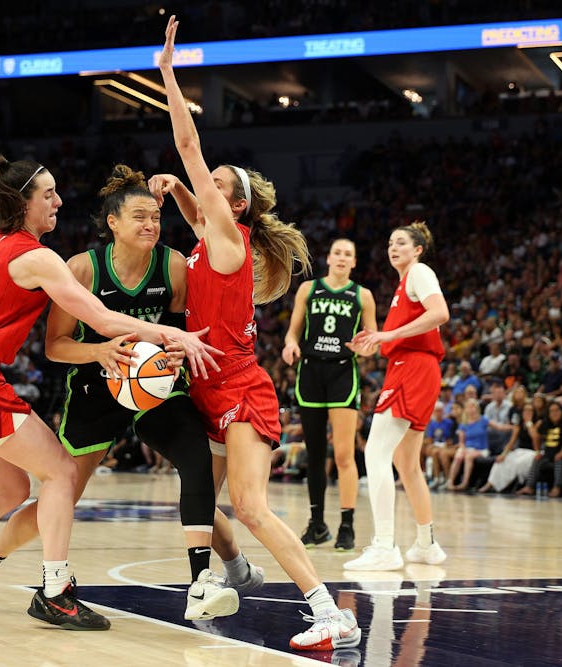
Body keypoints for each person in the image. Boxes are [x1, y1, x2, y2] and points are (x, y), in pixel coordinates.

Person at [0, 153, 221, 631]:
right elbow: (102, 321)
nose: (59, 201)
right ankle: (56, 591)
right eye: (48, 194)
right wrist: (175, 336)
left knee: (10, 489)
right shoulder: (37, 256)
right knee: (63, 472)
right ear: (24, 202)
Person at [0, 164, 262, 623]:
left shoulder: (174, 265)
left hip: (155, 385)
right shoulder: (81, 267)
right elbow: (56, 346)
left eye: (155, 217)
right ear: (113, 223)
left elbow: (178, 331)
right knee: (60, 496)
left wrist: (175, 354)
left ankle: (200, 581)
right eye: (139, 217)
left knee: (195, 456)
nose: (150, 225)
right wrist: (100, 350)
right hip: (94, 390)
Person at [149, 16, 360, 652]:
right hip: (206, 387)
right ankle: (239, 571)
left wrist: (167, 75)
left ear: (235, 206)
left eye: (217, 187)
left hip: (240, 387)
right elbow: (193, 202)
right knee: (198, 506)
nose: (206, 193)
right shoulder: (208, 236)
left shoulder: (230, 240)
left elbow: (190, 151)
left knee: (248, 505)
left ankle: (329, 612)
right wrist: (180, 189)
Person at [343, 221, 449, 571]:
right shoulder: (404, 284)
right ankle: (426, 544)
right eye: (391, 242)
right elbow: (402, 335)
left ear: (418, 249)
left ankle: (385, 545)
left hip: (414, 369)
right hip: (413, 368)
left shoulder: (420, 272)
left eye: (401, 243)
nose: (394, 247)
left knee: (376, 451)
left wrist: (387, 336)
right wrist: (374, 342)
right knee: (406, 464)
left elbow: (440, 314)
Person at [281, 238, 377, 552]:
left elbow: (372, 341)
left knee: (344, 455)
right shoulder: (309, 289)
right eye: (337, 252)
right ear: (329, 257)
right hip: (309, 372)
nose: (341, 257)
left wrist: (366, 348)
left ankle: (346, 525)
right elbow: (294, 330)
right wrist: (290, 344)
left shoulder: (363, 296)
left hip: (341, 373)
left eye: (348, 253)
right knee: (315, 454)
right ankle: (317, 524)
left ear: (353, 262)